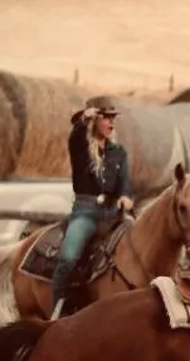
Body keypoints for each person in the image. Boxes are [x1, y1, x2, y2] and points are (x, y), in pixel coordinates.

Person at [50, 96, 133, 320]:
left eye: (113, 118)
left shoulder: (119, 152)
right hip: (86, 211)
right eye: (106, 118)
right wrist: (83, 118)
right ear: (95, 120)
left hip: (113, 214)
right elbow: (76, 133)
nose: (111, 123)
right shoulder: (80, 145)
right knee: (68, 258)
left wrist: (125, 196)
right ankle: (57, 310)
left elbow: (124, 184)